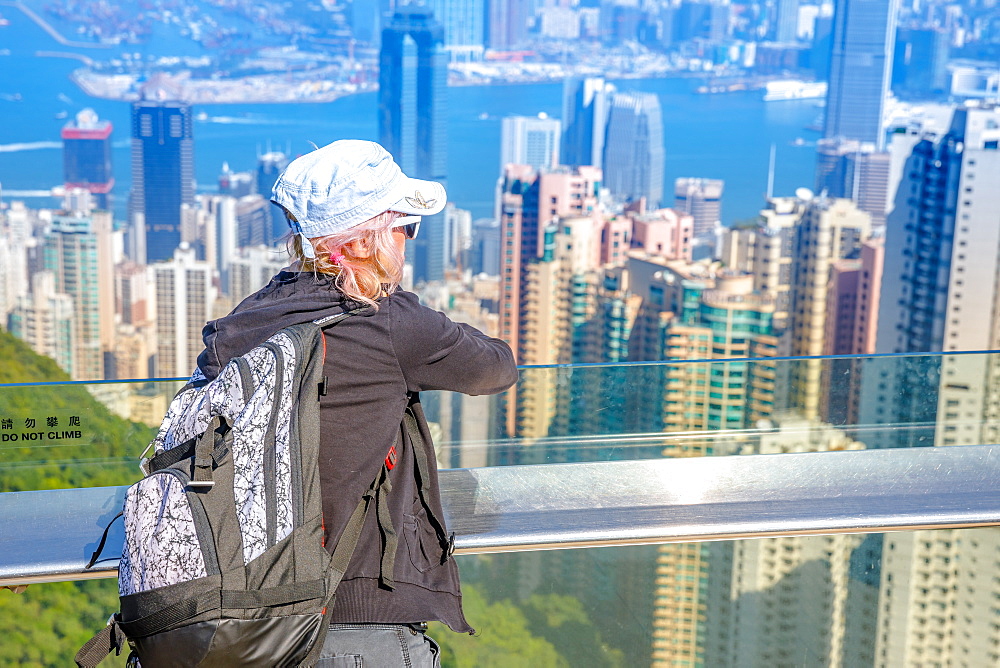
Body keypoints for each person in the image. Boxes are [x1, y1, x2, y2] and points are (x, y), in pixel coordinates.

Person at [195, 139, 518, 666]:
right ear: (370, 239)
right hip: (358, 626)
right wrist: (421, 321)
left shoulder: (244, 322)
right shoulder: (390, 323)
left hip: (244, 621)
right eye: (405, 226)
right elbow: (495, 368)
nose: (409, 239)